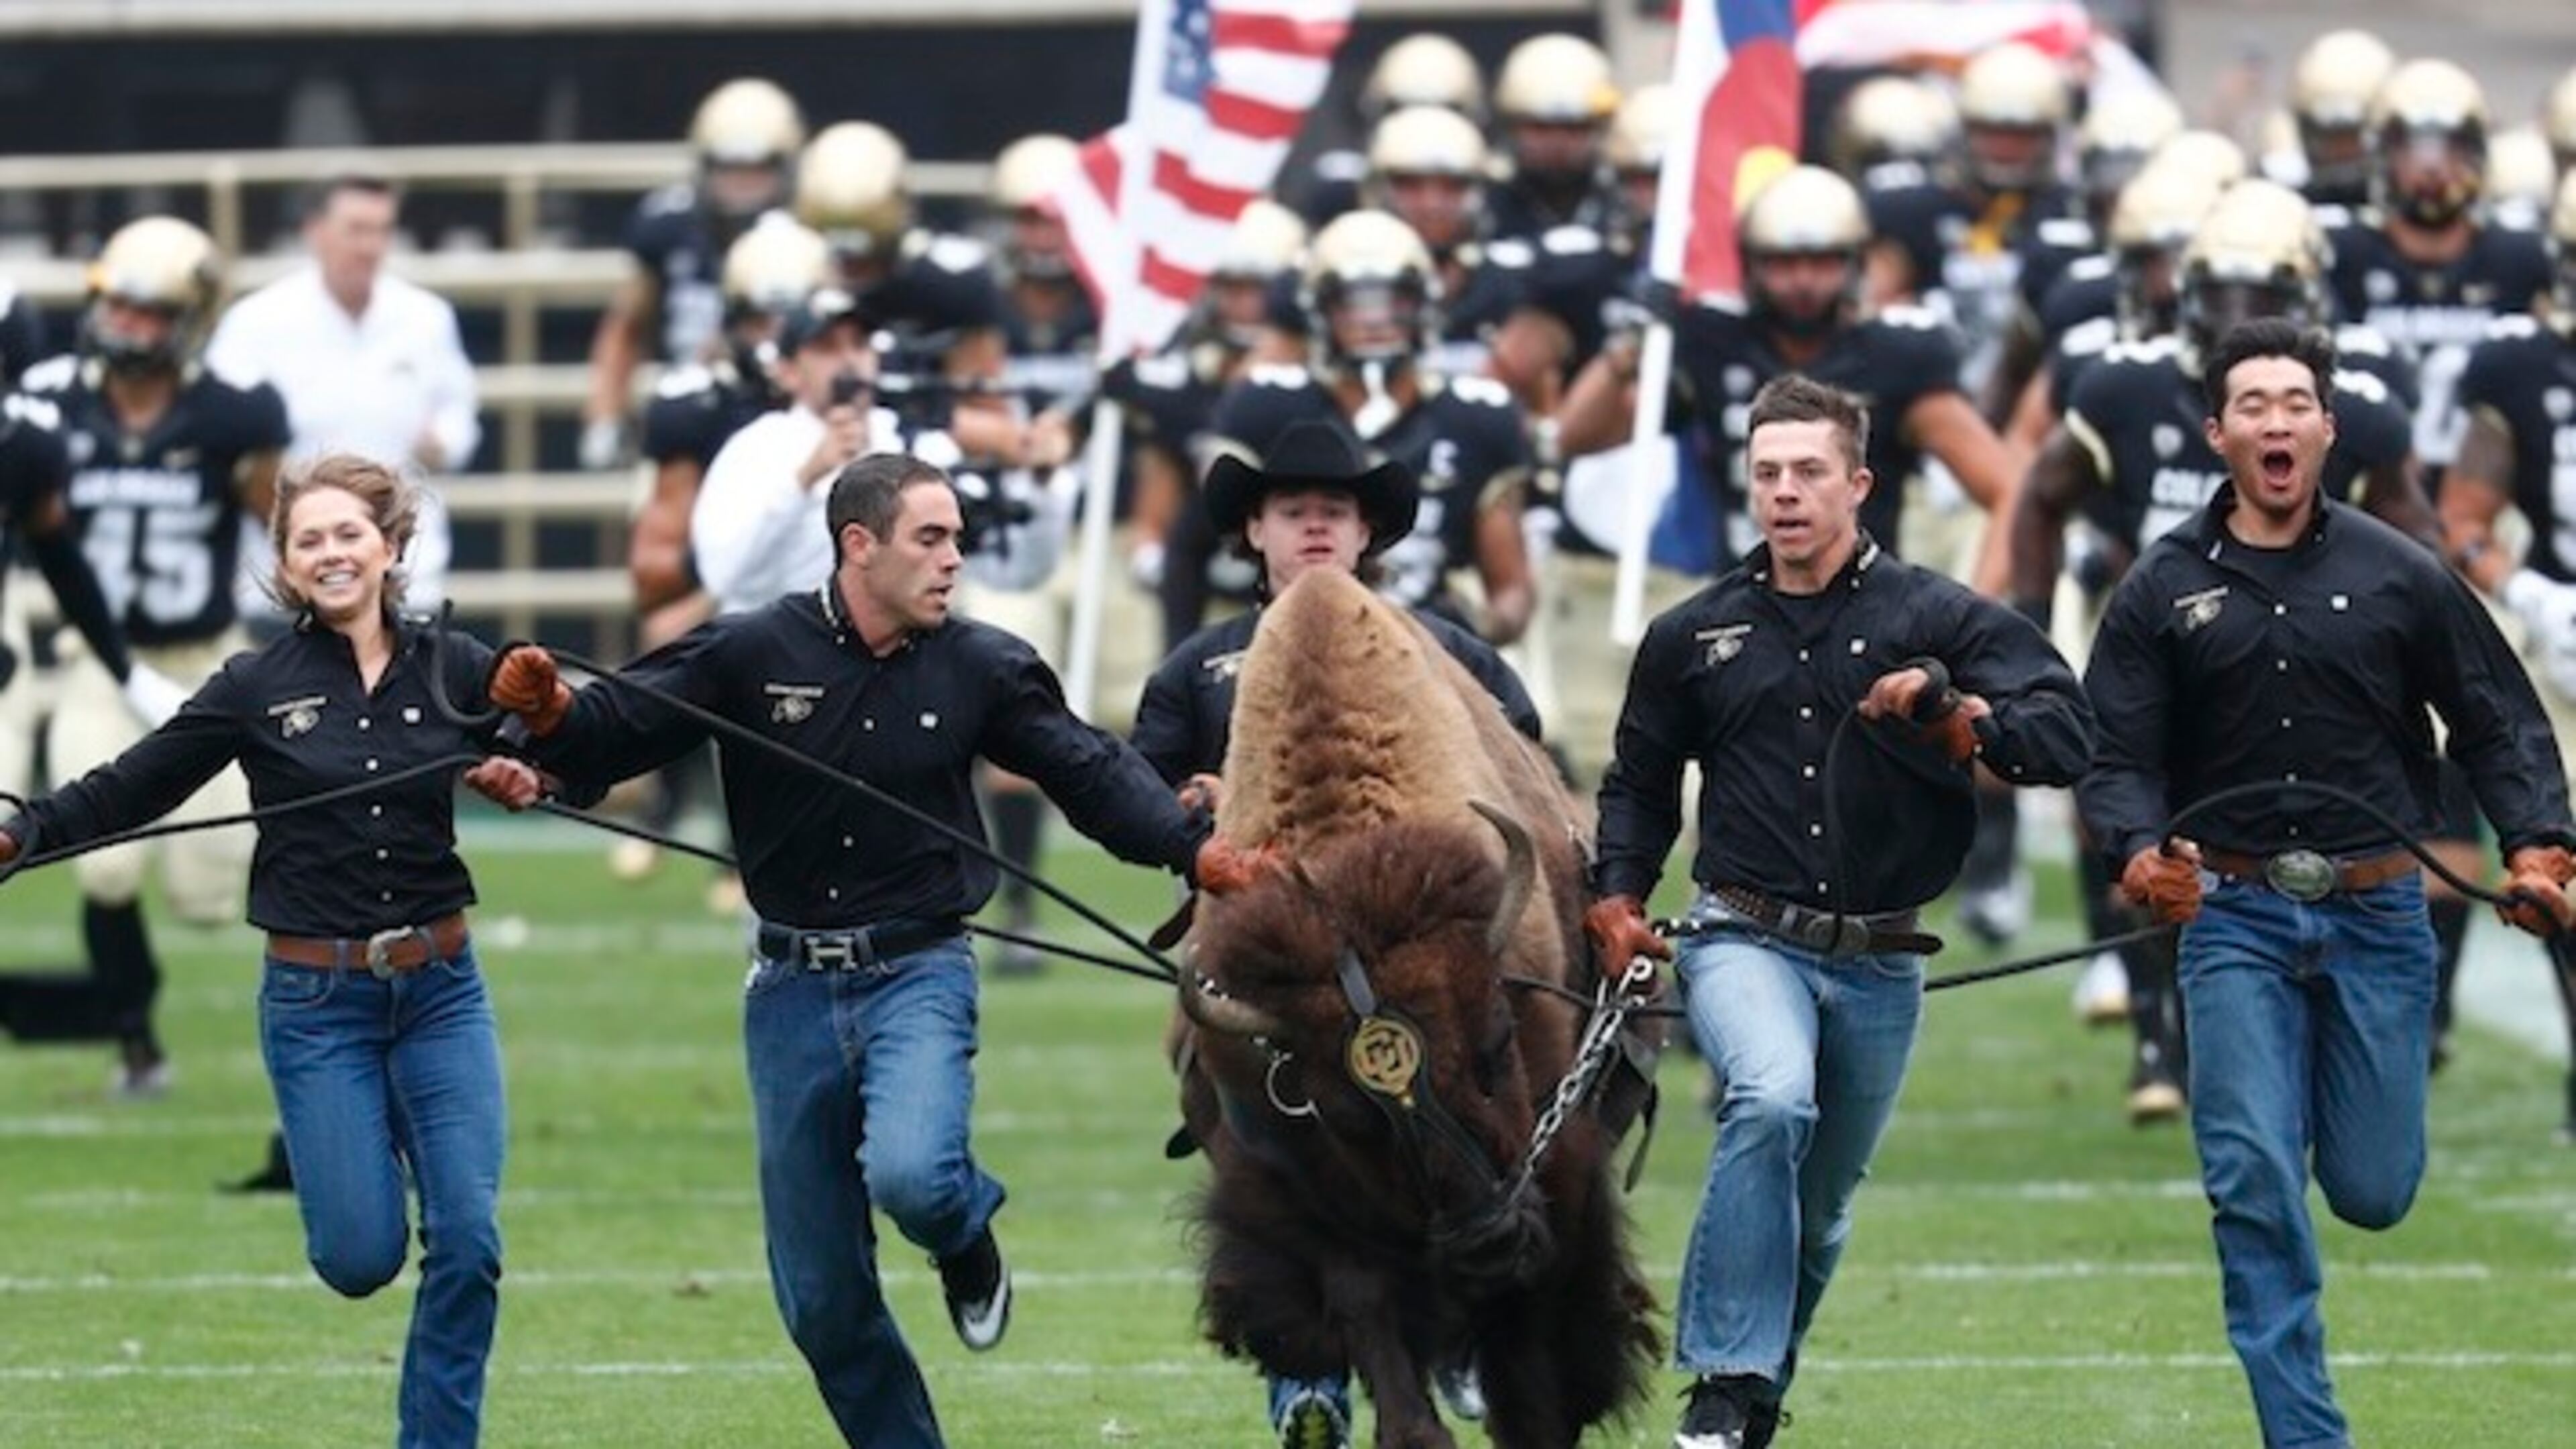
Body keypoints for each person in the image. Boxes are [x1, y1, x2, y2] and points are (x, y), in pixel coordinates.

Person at [483, 451, 1230, 1449]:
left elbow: (1091, 773)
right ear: (859, 546)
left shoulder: (984, 666)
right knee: (823, 1305)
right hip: (787, 990)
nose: (954, 559)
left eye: (958, 539)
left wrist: (1198, 852)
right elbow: (622, 724)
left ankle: (963, 1232)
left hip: (917, 971)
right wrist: (551, 724)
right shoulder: (749, 652)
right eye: (932, 538)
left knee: (916, 1176)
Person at [2079, 319, 2575, 1449]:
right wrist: (2134, 850)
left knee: (2373, 1187)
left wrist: (2539, 846)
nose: (2274, 422)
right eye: (2251, 404)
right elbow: (2118, 755)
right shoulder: (2162, 588)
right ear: (2219, 434)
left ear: (2328, 427)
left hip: (2379, 912)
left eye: (2294, 401)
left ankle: (2308, 1108)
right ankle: (2307, 1437)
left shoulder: (2400, 572)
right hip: (2233, 915)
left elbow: (2495, 718)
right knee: (2253, 1176)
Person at [0, 454, 545, 1448]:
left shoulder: (457, 664)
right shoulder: (255, 685)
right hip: (317, 1002)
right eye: (309, 541)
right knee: (356, 1257)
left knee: (468, 1242)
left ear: (390, 547)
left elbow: (557, 751)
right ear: (288, 568)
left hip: (441, 994)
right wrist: (21, 834)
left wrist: (534, 749)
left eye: (349, 534)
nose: (332, 553)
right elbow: (133, 785)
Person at [1591, 375, 2093, 1448]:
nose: (1785, 493)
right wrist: (1619, 895)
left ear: (1859, 484)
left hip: (1881, 957)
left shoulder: (1936, 616)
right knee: (1768, 1100)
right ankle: (1723, 1383)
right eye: (1767, 473)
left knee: (1816, 1215)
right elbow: (1636, 785)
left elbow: (2067, 731)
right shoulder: (1694, 636)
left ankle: (1757, 1395)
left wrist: (1964, 719)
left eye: (1809, 471)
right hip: (1739, 933)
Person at [1132, 417, 1536, 1449]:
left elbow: (1522, 756)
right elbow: (1137, 799)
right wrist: (1199, 806)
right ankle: (1298, 1369)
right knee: (1210, 1071)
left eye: (1336, 512)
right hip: (1276, 950)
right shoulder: (1203, 666)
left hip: (1419, 956)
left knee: (1505, 1071)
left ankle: (1470, 1336)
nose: (1316, 527)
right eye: (1293, 511)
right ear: (1255, 532)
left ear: (1366, 534)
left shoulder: (1441, 650)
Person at [15, 215, 291, 1097]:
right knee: (102, 861)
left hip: (205, 658)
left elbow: (275, 527)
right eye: (116, 305)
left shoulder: (236, 409)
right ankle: (137, 1042)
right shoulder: (50, 394)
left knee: (212, 896)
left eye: (149, 311)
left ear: (191, 318)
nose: (126, 324)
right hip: (101, 662)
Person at [208, 172, 480, 616]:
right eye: (357, 229)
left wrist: (444, 442)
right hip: (289, 580)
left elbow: (460, 413)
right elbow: (221, 432)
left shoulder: (427, 317)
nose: (370, 246)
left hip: (407, 572)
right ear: (314, 232)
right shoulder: (256, 321)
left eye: (382, 230)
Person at [582, 77, 805, 471]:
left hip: (785, 416)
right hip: (688, 415)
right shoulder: (668, 225)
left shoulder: (805, 237)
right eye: (729, 169)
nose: (742, 186)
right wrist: (605, 414)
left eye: (756, 170)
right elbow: (626, 326)